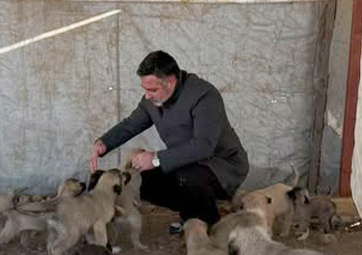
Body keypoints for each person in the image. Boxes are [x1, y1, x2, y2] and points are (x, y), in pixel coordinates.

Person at [90, 51, 248, 229]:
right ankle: (191, 214)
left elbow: (204, 147)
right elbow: (131, 125)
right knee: (139, 179)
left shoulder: (204, 96)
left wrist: (156, 158)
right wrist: (103, 143)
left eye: (152, 90)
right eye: (145, 89)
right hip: (186, 163)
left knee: (185, 178)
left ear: (171, 81)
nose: (147, 96)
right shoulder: (151, 100)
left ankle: (210, 227)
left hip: (222, 165)